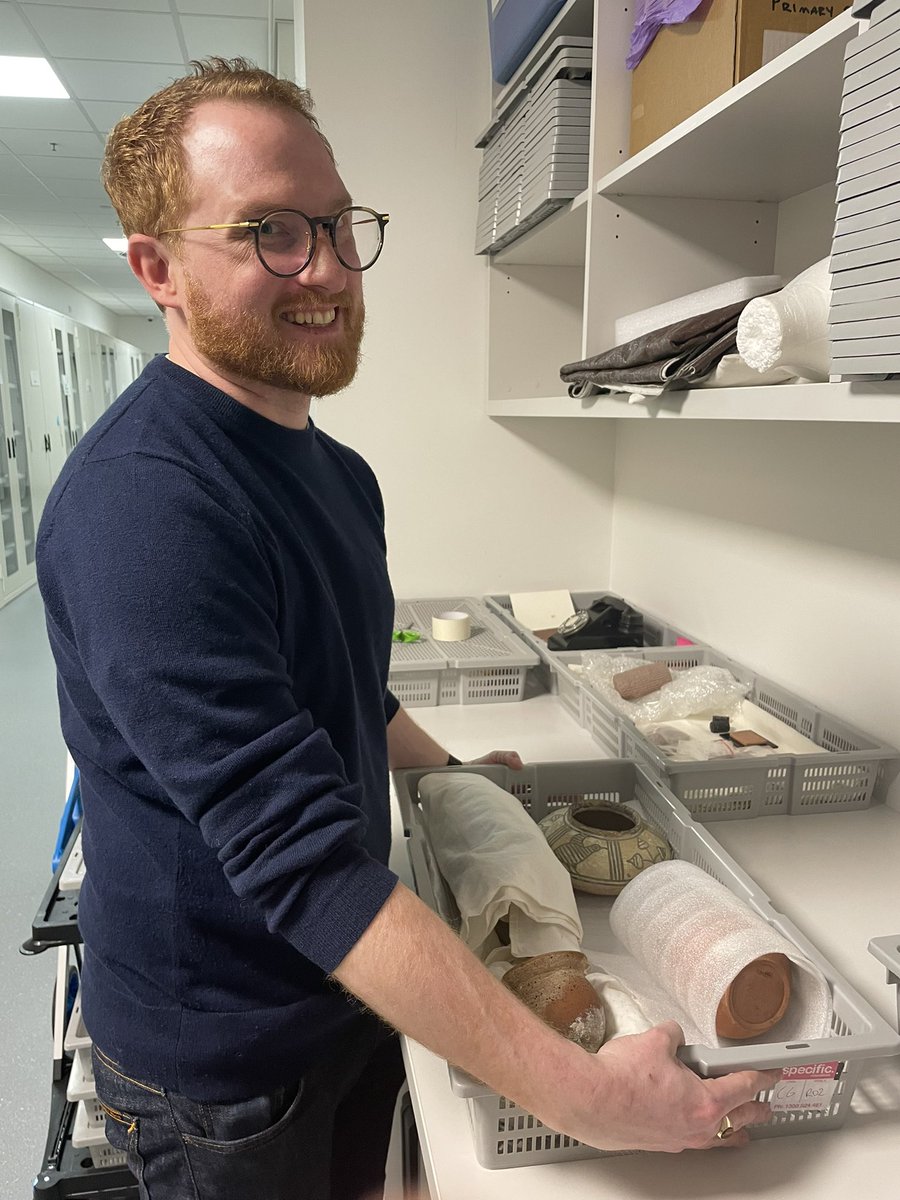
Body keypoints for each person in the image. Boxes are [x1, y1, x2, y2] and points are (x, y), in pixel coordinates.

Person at [35, 59, 778, 1200]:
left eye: (337, 223)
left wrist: (454, 774)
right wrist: (587, 1094)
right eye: (270, 232)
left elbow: (341, 685)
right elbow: (301, 867)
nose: (327, 268)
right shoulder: (145, 509)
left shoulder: (336, 474)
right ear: (158, 271)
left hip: (349, 992)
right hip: (224, 1068)